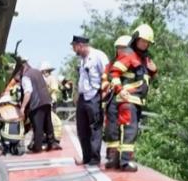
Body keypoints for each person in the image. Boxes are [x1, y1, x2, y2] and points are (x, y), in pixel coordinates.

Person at [104, 24, 158, 172]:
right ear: (135, 39)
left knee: (129, 130)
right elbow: (113, 73)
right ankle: (125, 162)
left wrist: (154, 71)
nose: (145, 44)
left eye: (147, 42)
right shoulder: (128, 54)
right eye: (142, 41)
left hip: (137, 100)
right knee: (129, 130)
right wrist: (120, 90)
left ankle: (118, 160)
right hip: (128, 99)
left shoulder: (144, 58)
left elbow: (144, 75)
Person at [71, 35, 108, 165]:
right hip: (83, 97)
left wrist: (103, 96)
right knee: (82, 128)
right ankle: (86, 157)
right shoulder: (82, 59)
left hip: (94, 96)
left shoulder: (98, 56)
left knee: (95, 128)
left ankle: (94, 158)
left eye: (75, 47)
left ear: (81, 45)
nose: (74, 50)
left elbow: (107, 75)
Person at [101, 35, 133, 169]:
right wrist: (109, 86)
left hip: (126, 99)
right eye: (119, 48)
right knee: (111, 129)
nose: (121, 51)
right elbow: (104, 81)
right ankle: (112, 157)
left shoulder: (132, 63)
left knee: (126, 128)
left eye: (123, 48)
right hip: (112, 99)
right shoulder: (110, 65)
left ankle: (124, 159)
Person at [18, 59, 59, 152]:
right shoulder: (37, 71)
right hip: (47, 100)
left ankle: (38, 147)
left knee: (38, 126)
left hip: (36, 103)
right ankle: (51, 143)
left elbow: (28, 92)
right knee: (48, 124)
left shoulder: (26, 76)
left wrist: (23, 107)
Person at [41, 61, 65, 144]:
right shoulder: (47, 78)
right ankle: (48, 136)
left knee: (52, 120)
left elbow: (54, 88)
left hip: (51, 101)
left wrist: (47, 93)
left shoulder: (52, 78)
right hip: (47, 101)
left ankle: (53, 137)